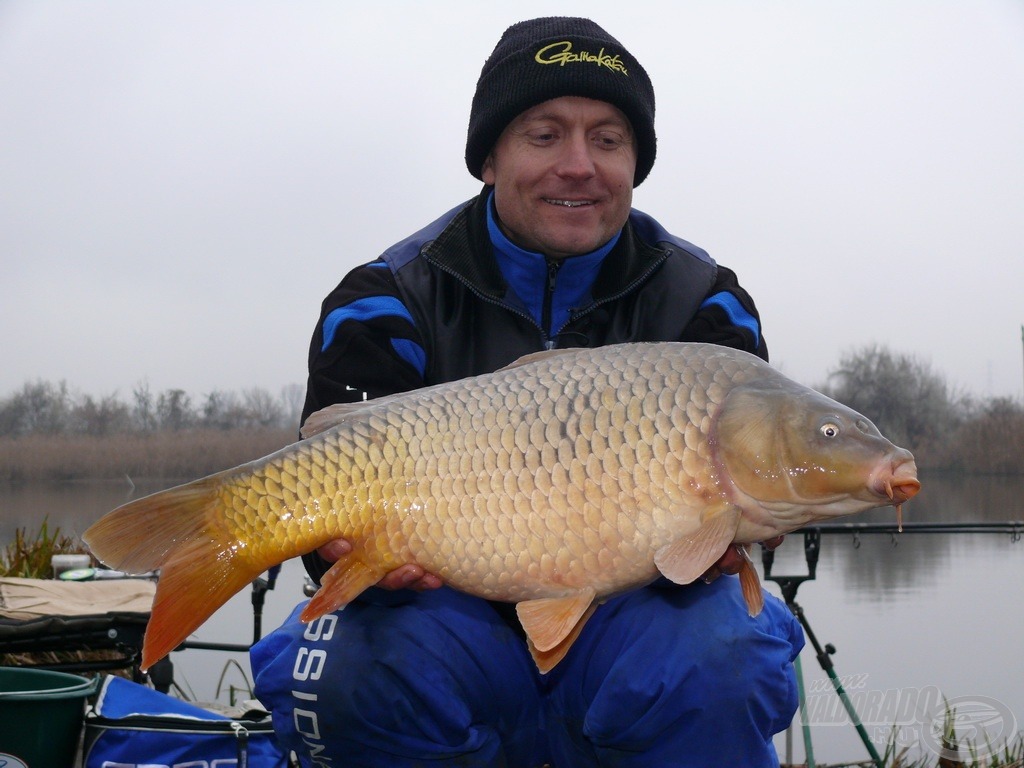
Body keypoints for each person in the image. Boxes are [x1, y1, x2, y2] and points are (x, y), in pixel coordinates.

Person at [251, 16, 804, 768]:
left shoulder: (707, 303)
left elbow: (750, 494)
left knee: (724, 651)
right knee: (355, 664)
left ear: (635, 163)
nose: (578, 165)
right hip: (441, 619)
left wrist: (740, 530)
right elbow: (328, 506)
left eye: (607, 140)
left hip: (636, 623)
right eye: (544, 135)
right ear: (489, 158)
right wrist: (337, 550)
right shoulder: (385, 298)